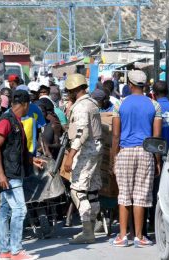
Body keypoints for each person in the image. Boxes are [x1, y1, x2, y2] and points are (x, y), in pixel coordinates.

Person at [110, 70, 162, 247]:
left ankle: (123, 236)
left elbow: (115, 135)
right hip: (145, 152)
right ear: (145, 85)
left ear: (130, 85)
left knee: (124, 194)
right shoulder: (154, 105)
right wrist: (157, 161)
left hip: (125, 152)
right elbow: (156, 137)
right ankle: (139, 236)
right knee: (141, 196)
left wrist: (112, 159)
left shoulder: (120, 104)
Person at [0, 90, 42, 260]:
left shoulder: (17, 121)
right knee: (20, 210)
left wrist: (31, 159)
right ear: (26, 104)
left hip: (13, 172)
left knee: (5, 211)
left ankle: (5, 251)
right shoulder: (6, 121)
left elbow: (17, 148)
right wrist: (0, 174)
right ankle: (16, 251)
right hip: (9, 174)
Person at [63, 73, 103, 244]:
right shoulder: (92, 103)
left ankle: (87, 231)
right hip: (96, 151)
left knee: (77, 190)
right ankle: (93, 226)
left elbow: (82, 132)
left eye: (69, 91)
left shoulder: (80, 107)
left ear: (74, 90)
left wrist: (70, 156)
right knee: (92, 191)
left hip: (85, 152)